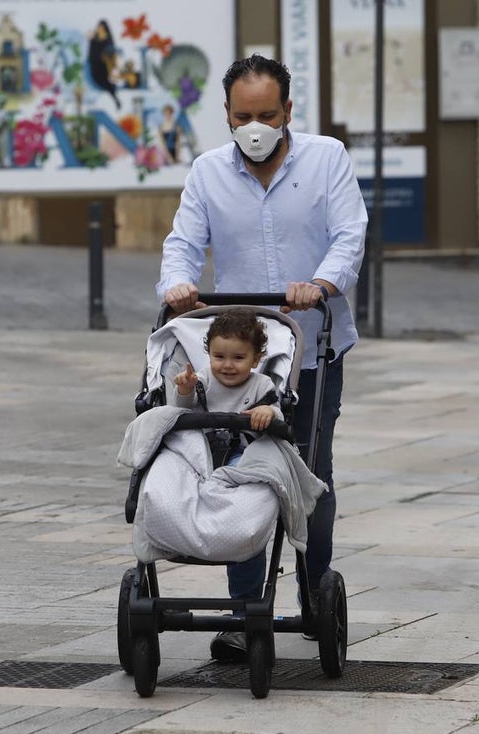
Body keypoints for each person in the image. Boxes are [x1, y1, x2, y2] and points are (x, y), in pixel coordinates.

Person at [157, 54, 368, 662]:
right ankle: (243, 613)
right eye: (243, 115)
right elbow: (183, 243)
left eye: (267, 115)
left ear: (288, 112)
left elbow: (350, 234)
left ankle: (313, 594)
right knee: (242, 476)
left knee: (308, 478)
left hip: (314, 350)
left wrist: (322, 284)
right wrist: (176, 287)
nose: (256, 126)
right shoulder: (206, 173)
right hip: (241, 363)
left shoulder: (325, 159)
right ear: (226, 115)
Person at [172, 308, 282, 467]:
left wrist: (269, 412)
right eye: (219, 357)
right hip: (198, 450)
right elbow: (182, 407)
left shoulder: (261, 385)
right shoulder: (203, 379)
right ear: (209, 354)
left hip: (244, 452)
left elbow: (280, 416)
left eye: (238, 358)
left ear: (255, 360)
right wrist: (185, 389)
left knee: (243, 468)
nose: (228, 365)